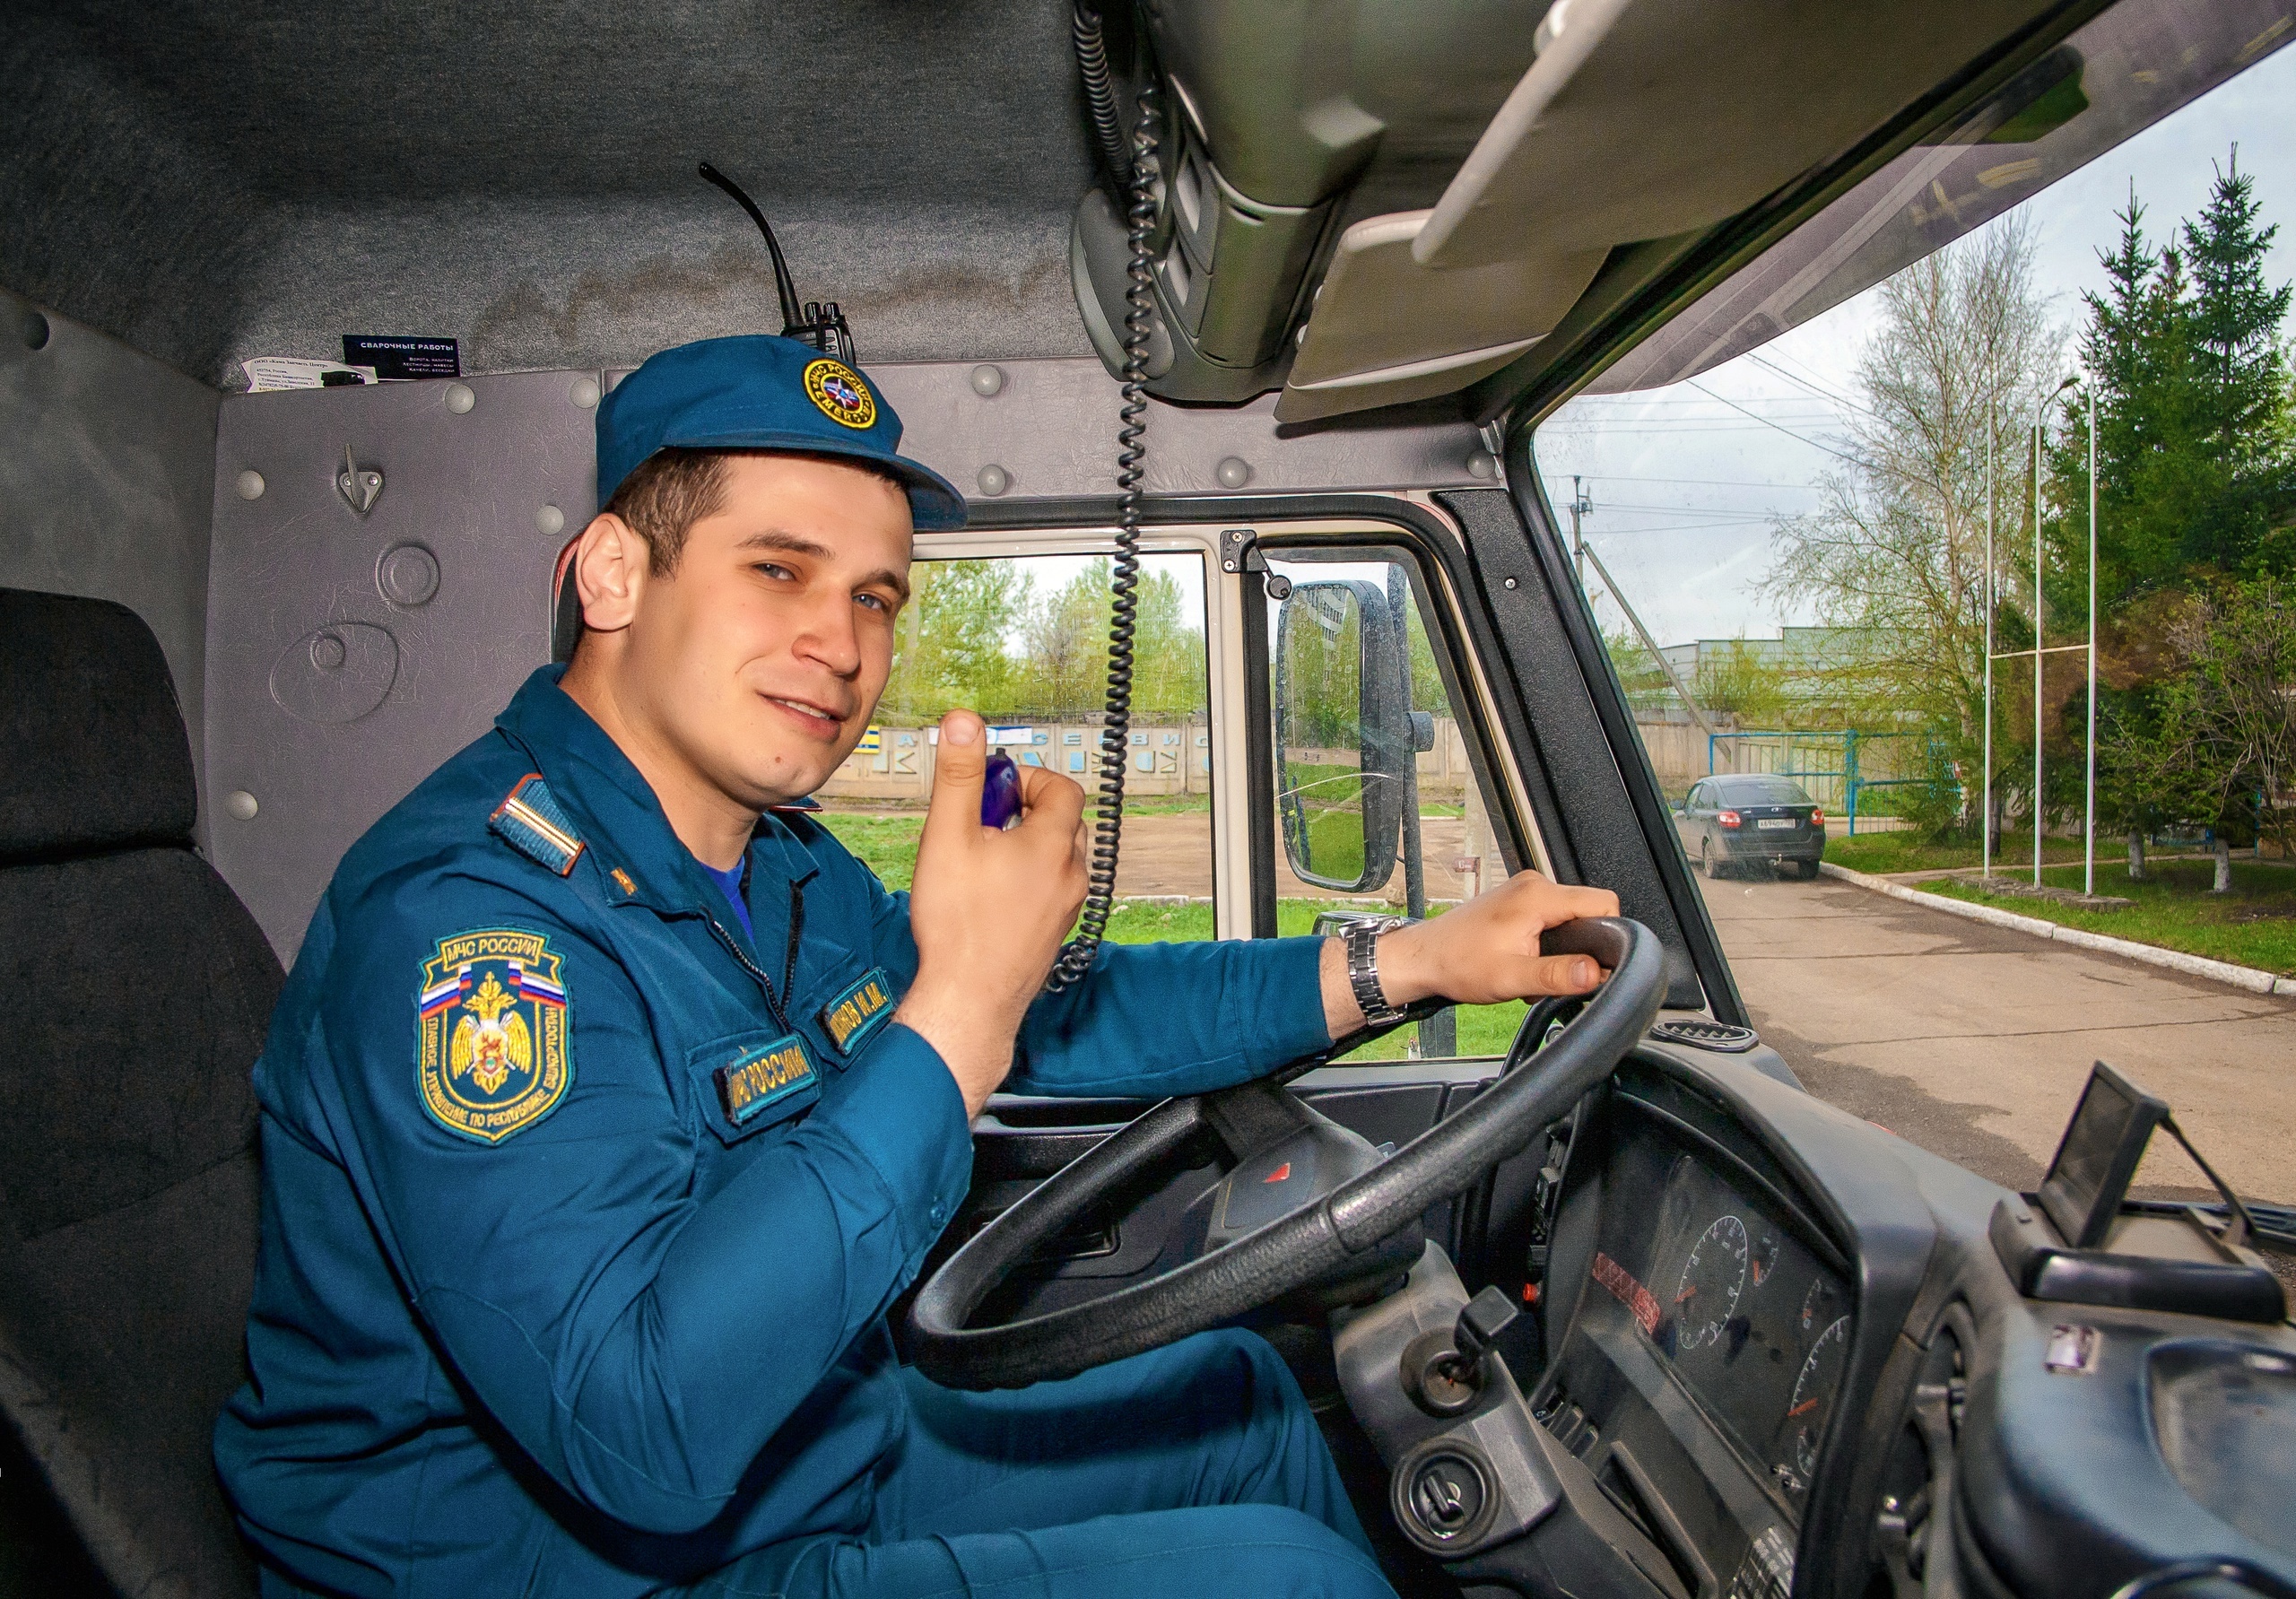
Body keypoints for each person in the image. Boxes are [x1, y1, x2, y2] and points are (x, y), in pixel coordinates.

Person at [213, 335, 1620, 1598]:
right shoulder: (468, 931)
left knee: (1241, 1406)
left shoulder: (785, 868)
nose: (842, 644)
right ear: (613, 573)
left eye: (877, 596)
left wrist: (1413, 961)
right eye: (779, 570)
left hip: (803, 1454)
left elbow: (1061, 1018)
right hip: (558, 1561)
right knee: (1284, 1582)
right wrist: (954, 1011)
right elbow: (641, 1428)